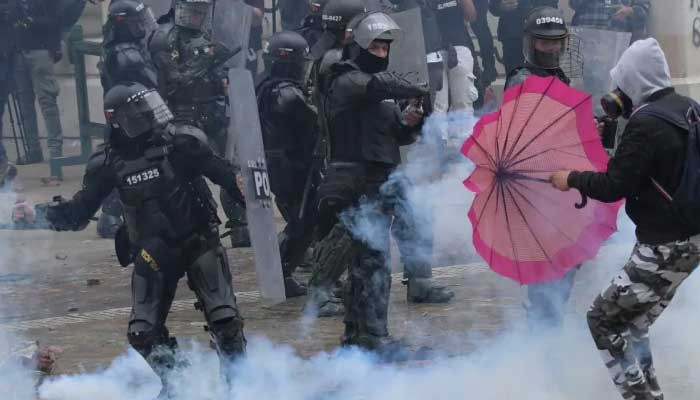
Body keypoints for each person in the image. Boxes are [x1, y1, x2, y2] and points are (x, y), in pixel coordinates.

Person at [31, 82, 247, 397]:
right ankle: (180, 383)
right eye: (139, 109)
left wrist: (248, 189)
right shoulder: (107, 162)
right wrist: (42, 214)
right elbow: (79, 213)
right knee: (142, 333)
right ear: (118, 119)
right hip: (152, 253)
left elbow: (226, 175)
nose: (149, 113)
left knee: (224, 320)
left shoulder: (182, 141)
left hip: (198, 240)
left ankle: (239, 387)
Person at [550, 38, 700, 400]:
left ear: (632, 81)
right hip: (691, 239)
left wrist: (570, 178)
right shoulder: (688, 108)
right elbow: (649, 167)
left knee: (601, 320)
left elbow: (614, 185)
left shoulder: (645, 123)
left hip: (664, 244)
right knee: (634, 322)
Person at [316, 11, 430, 355]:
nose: (381, 53)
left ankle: (362, 335)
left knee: (372, 262)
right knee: (369, 262)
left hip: (381, 181)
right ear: (359, 46)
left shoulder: (380, 94)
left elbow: (397, 136)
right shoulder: (346, 78)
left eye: (385, 48)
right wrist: (417, 85)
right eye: (375, 47)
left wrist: (412, 121)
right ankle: (369, 337)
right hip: (354, 183)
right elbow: (378, 85)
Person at [149, 0, 250, 248]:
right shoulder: (164, 38)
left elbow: (214, 72)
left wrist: (222, 78)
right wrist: (206, 59)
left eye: (200, 13)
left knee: (233, 167)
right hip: (183, 116)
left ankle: (241, 225)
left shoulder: (203, 35)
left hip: (212, 112)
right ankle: (200, 226)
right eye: (190, 12)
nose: (195, 17)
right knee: (189, 173)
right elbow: (175, 80)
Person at [501, 7, 578, 328]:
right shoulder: (522, 80)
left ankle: (548, 324)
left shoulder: (561, 77)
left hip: (562, 185)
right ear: (531, 43)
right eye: (545, 43)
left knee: (569, 259)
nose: (552, 48)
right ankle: (541, 332)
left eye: (557, 42)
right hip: (535, 187)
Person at [255, 31, 317, 297]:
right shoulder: (287, 94)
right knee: (303, 222)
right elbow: (314, 121)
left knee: (302, 221)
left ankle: (282, 273)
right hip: (290, 167)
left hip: (279, 164)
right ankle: (279, 274)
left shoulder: (265, 83)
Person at [96, 0, 159, 239]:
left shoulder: (118, 45)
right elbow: (151, 82)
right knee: (127, 166)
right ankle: (110, 216)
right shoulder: (126, 54)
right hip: (130, 120)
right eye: (137, 21)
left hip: (129, 117)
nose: (142, 25)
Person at [13, 0, 66, 163]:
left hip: (40, 51)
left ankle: (56, 153)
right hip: (18, 52)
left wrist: (30, 21)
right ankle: (33, 151)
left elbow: (57, 20)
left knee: (47, 103)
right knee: (24, 106)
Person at [489, 0, 559, 76]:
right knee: (514, 77)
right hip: (512, 34)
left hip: (540, 32)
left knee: (543, 76)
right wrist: (500, 6)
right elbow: (493, 6)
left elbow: (552, 4)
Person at [569, 0, 651, 43]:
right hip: (587, 43)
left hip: (619, 46)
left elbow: (644, 9)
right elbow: (573, 3)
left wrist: (630, 10)